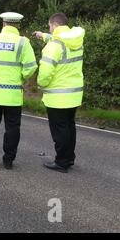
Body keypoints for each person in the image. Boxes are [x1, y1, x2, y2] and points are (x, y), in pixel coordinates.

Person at [0, 12, 38, 170]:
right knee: (12, 129)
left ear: (3, 24)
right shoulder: (23, 43)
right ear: (18, 25)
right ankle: (8, 161)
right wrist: (21, 77)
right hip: (13, 96)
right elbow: (31, 67)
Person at [34, 13, 85, 173]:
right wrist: (43, 36)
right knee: (69, 126)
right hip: (74, 95)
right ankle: (69, 158)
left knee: (60, 130)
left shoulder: (53, 47)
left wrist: (40, 84)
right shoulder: (75, 42)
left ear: (54, 26)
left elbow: (44, 75)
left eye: (49, 27)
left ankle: (61, 162)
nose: (49, 29)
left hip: (58, 97)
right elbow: (58, 41)